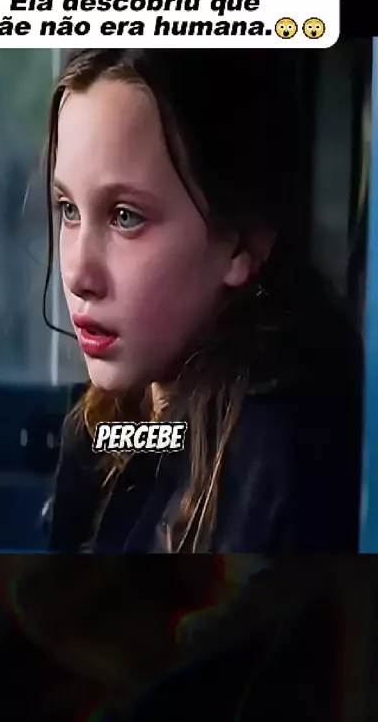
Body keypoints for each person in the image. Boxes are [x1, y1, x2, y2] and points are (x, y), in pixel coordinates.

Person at [44, 48, 363, 554]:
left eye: (125, 217)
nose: (78, 274)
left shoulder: (276, 454)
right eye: (68, 209)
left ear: (241, 241)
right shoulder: (115, 419)